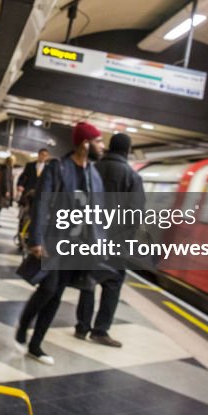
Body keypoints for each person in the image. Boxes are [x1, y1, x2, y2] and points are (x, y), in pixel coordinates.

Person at [15, 122, 104, 365]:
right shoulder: (59, 168)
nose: (102, 146)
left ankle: (35, 345)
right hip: (54, 240)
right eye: (98, 141)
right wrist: (36, 238)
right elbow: (42, 203)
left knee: (56, 294)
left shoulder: (93, 174)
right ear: (85, 144)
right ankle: (24, 323)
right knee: (49, 288)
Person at [74, 132, 145, 347]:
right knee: (112, 285)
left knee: (88, 281)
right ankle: (100, 330)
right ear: (127, 151)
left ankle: (81, 326)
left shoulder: (92, 169)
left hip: (90, 236)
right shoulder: (132, 177)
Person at [0, 155, 16, 227]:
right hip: (3, 191)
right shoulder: (7, 169)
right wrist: (7, 190)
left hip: (1, 190)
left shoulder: (5, 168)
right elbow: (6, 180)